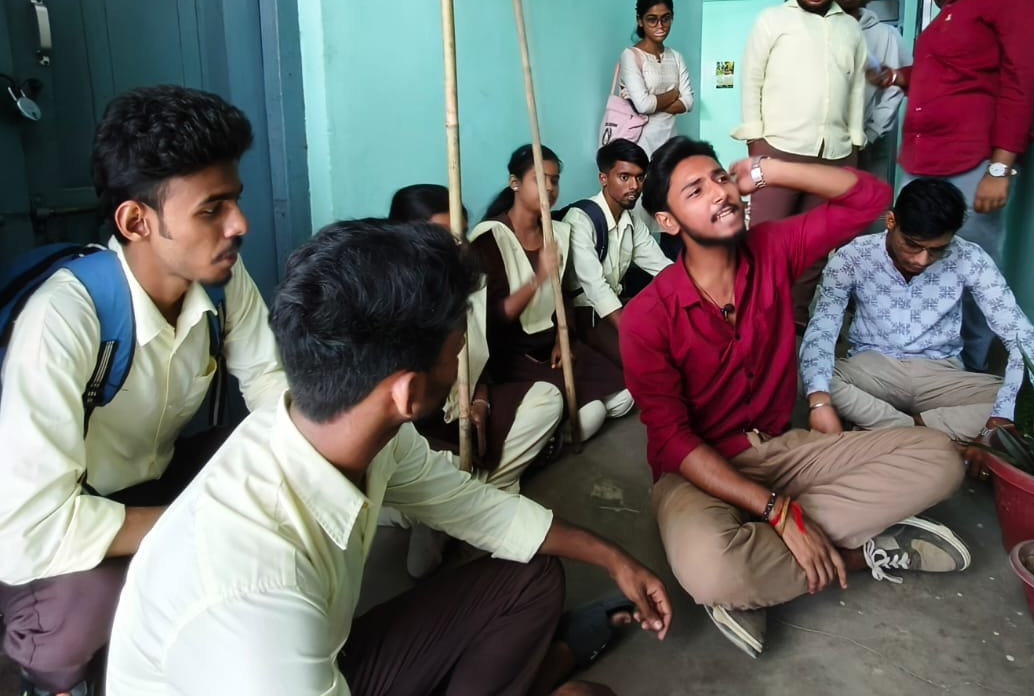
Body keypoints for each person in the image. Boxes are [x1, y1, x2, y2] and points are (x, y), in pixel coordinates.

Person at [105, 218, 672, 695]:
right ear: (408, 393)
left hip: (329, 655)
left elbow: (477, 507)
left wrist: (613, 557)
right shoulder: (256, 589)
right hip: (293, 665)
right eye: (456, 353)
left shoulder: (347, 431)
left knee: (534, 579)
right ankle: (549, 670)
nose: (463, 364)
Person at [620, 137, 968, 659]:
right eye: (695, 190)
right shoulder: (646, 317)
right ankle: (862, 553)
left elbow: (870, 199)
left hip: (781, 448)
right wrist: (779, 511)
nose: (719, 193)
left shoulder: (772, 248)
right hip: (696, 472)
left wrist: (768, 171)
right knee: (710, 568)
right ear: (668, 222)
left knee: (940, 458)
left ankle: (759, 576)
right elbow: (672, 440)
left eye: (720, 178)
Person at [0, 85, 287, 696]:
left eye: (235, 200)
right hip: (58, 520)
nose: (239, 225)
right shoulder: (64, 318)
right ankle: (47, 672)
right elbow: (32, 529)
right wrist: (202, 521)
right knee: (79, 617)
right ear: (137, 221)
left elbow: (269, 383)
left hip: (154, 484)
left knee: (276, 454)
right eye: (212, 209)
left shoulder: (220, 280)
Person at [897, 0, 1034, 371]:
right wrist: (899, 77)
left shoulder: (1018, 0)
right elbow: (951, 74)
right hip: (922, 160)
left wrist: (1000, 168)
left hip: (970, 164)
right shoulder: (954, 8)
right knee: (917, 260)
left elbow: (1022, 86)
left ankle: (970, 370)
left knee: (971, 269)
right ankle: (924, 358)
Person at [799, 178, 1034, 446]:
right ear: (891, 221)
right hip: (872, 370)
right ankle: (933, 434)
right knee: (813, 381)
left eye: (937, 250)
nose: (922, 260)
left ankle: (904, 430)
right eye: (912, 244)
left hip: (941, 374)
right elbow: (822, 331)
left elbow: (1025, 339)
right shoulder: (853, 256)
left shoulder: (970, 258)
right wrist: (819, 400)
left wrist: (1000, 418)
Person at [388, 184, 562, 494]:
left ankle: (485, 490)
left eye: (461, 235)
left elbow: (476, 353)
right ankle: (475, 495)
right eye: (442, 235)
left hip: (465, 404)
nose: (456, 247)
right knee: (417, 468)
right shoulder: (392, 298)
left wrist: (479, 397)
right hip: (419, 427)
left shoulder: (467, 282)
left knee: (548, 399)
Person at [731, 0, 868, 323]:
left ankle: (794, 324)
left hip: (835, 154)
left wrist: (855, 142)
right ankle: (755, 323)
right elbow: (751, 79)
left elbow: (857, 88)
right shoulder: (773, 20)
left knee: (813, 249)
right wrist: (756, 142)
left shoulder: (850, 29)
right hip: (778, 150)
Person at [471, 145, 633, 442]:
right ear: (514, 182)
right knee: (593, 413)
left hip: (553, 345)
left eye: (555, 180)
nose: (549, 187)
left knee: (625, 397)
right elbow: (492, 318)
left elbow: (564, 297)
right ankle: (549, 435)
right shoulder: (491, 237)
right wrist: (538, 277)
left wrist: (563, 337)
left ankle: (555, 425)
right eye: (539, 179)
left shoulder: (557, 233)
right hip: (515, 353)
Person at [563, 140, 671, 367]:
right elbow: (595, 288)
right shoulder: (580, 219)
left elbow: (663, 267)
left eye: (640, 177)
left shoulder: (632, 222)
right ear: (603, 178)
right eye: (625, 177)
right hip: (587, 315)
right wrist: (631, 334)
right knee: (644, 360)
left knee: (671, 341)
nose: (634, 186)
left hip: (618, 305)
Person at [835, 0, 911, 189]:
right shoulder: (820, 32)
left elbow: (894, 91)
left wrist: (872, 132)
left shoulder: (886, 35)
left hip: (869, 143)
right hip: (824, 143)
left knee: (866, 200)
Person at [616, 0, 694, 160]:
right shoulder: (630, 56)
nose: (660, 25)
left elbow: (688, 102)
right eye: (652, 19)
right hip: (639, 145)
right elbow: (644, 106)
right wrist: (673, 94)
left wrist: (652, 103)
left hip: (670, 146)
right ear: (640, 21)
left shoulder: (676, 57)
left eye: (665, 18)